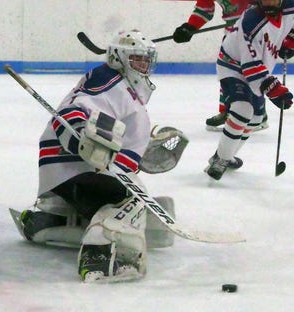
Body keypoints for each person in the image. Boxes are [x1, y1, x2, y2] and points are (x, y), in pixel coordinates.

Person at [13, 30, 186, 282]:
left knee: (146, 206)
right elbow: (75, 109)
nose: (144, 66)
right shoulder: (112, 83)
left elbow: (112, 133)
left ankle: (50, 218)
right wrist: (80, 135)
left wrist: (141, 151)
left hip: (72, 171)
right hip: (77, 168)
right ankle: (102, 254)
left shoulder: (120, 85)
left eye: (146, 60)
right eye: (137, 59)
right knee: (131, 205)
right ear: (119, 58)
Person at [204, 0, 294, 180]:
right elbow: (251, 67)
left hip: (259, 70)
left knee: (257, 119)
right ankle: (220, 160)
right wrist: (275, 90)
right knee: (243, 109)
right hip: (232, 66)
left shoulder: (293, 6)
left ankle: (225, 155)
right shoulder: (250, 21)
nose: (269, 0)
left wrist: (292, 40)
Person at [172, 0, 263, 131]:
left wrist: (259, 7)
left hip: (252, 25)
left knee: (249, 69)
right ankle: (228, 110)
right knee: (226, 69)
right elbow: (205, 9)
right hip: (232, 28)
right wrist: (189, 27)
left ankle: (258, 114)